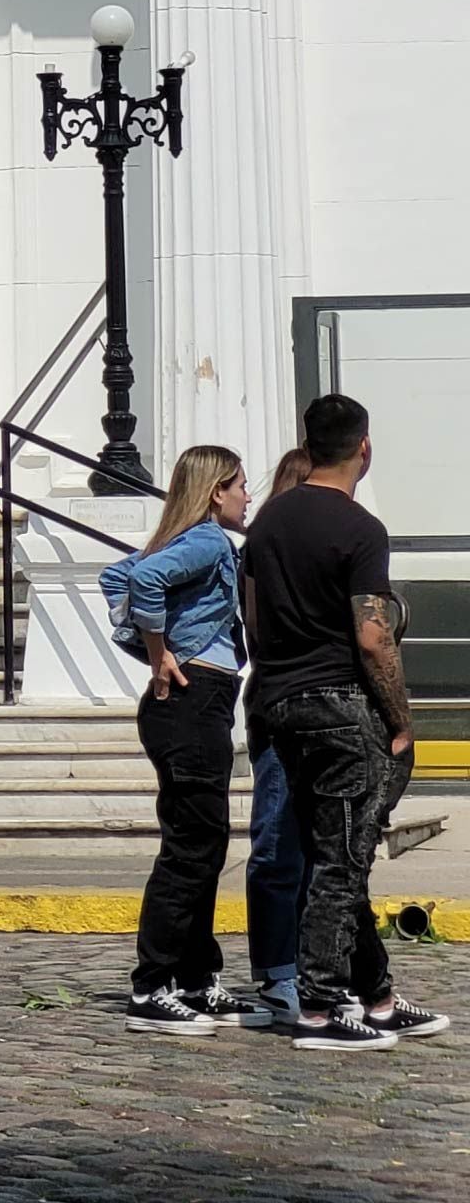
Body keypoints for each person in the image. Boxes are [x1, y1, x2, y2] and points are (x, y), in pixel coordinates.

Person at [242, 393, 451, 1053]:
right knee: (343, 863)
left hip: (279, 704)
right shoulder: (360, 529)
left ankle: (376, 995)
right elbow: (372, 634)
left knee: (336, 852)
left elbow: (251, 614)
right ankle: (324, 1006)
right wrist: (401, 719)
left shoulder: (268, 521)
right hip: (338, 707)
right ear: (364, 447)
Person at [102, 445, 260, 1037]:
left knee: (204, 842)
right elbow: (139, 577)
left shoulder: (194, 540)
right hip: (191, 704)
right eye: (241, 485)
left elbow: (117, 574)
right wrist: (158, 652)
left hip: (198, 705)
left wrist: (157, 646)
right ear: (216, 491)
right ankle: (153, 984)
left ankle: (197, 977)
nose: (248, 496)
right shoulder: (209, 541)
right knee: (193, 847)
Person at [245, 446, 314, 1030]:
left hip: (308, 700)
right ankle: (277, 972)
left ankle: (310, 970)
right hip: (278, 699)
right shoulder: (265, 547)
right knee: (277, 838)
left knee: (319, 846)